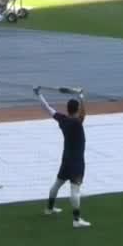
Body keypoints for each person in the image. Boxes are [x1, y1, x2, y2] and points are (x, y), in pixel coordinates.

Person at [35, 87, 91, 228]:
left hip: (66, 159)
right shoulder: (77, 123)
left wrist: (39, 94)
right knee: (75, 190)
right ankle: (76, 220)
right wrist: (81, 96)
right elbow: (84, 113)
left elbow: (47, 108)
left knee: (57, 183)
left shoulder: (63, 120)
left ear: (67, 109)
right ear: (76, 109)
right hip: (76, 161)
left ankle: (49, 208)